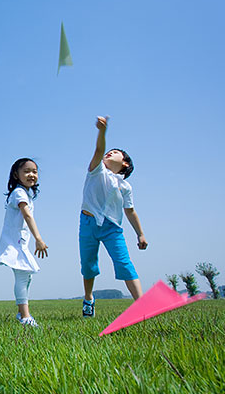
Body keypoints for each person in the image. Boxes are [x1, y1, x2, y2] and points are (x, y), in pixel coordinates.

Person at [79, 116, 148, 318]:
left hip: (112, 228)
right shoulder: (96, 170)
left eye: (115, 152)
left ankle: (141, 305)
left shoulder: (125, 186)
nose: (110, 152)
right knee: (88, 264)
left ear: (125, 164)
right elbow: (99, 151)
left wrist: (140, 234)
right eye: (110, 150)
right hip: (88, 223)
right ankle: (89, 298)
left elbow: (130, 211)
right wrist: (102, 132)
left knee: (124, 262)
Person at [0, 158, 48, 327]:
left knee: (26, 278)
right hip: (14, 244)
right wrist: (39, 238)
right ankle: (25, 317)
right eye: (26, 171)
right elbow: (27, 215)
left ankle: (21, 313)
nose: (31, 174)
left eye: (34, 171)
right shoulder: (19, 193)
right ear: (16, 175)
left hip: (20, 243)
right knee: (22, 277)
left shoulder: (26, 194)